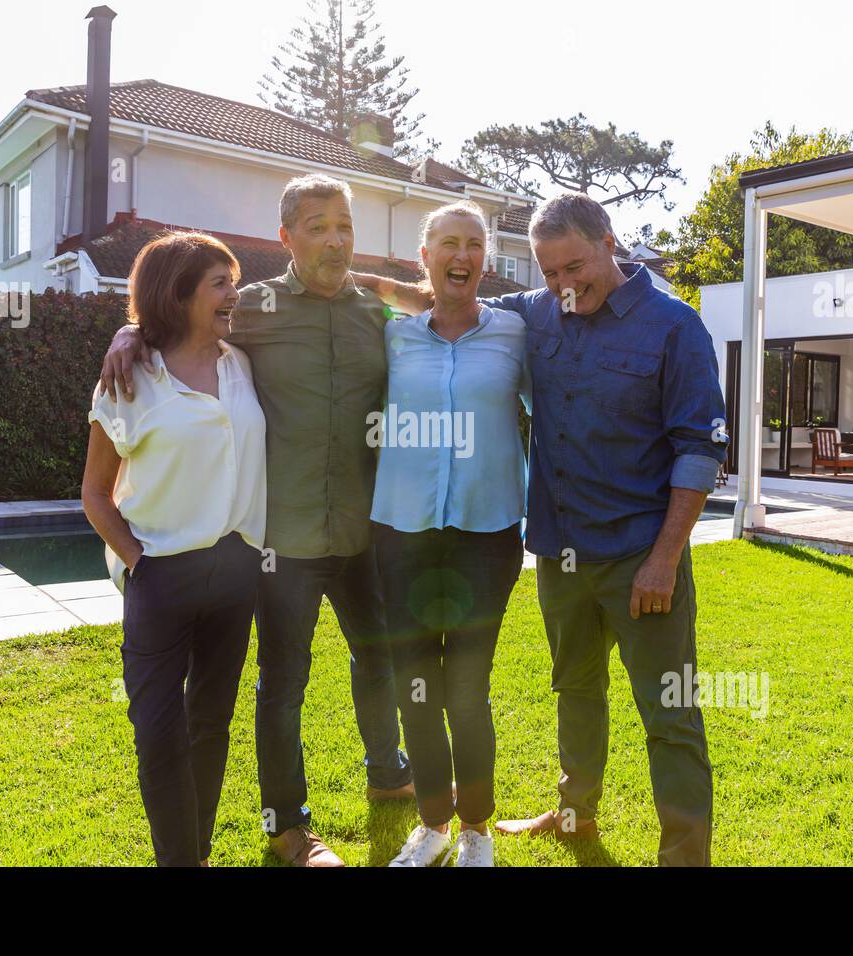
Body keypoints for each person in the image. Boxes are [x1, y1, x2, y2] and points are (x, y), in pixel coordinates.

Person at [360, 192, 727, 866]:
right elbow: (446, 306)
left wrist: (665, 558)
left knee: (669, 715)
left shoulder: (674, 326)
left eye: (574, 267)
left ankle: (683, 855)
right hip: (561, 553)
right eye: (548, 272)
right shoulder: (536, 312)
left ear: (610, 242)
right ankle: (573, 813)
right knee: (576, 691)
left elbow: (699, 448)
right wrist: (338, 285)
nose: (563, 286)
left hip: (642, 555)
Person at [100, 175, 412, 868]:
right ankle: (289, 827)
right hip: (282, 544)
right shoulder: (253, 310)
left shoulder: (374, 313)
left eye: (345, 225)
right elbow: (171, 320)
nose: (334, 238)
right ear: (286, 238)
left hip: (362, 531)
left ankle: (390, 774)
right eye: (317, 226)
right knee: (281, 687)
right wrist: (126, 331)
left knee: (379, 660)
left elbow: (435, 324)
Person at [82, 231, 266, 867]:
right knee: (159, 736)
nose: (233, 294)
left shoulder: (242, 360)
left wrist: (126, 327)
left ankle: (196, 856)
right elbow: (96, 495)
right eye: (219, 283)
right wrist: (140, 563)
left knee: (209, 727)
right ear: (178, 292)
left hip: (237, 572)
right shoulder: (129, 380)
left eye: (232, 280)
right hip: (160, 577)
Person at [371, 201, 530, 868]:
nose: (461, 256)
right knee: (416, 684)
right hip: (402, 532)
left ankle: (476, 830)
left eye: (473, 245)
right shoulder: (392, 338)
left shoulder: (519, 335)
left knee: (466, 688)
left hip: (485, 535)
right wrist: (135, 331)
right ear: (424, 258)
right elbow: (309, 303)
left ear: (486, 261)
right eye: (447, 245)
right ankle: (432, 823)